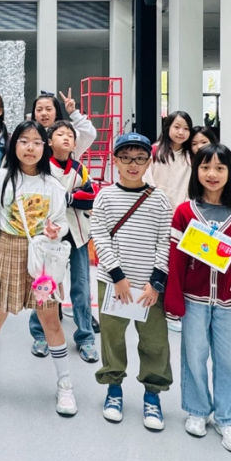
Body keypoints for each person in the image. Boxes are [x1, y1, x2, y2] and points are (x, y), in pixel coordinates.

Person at [0, 120, 73, 413]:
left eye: (36, 142)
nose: (30, 147)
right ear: (14, 145)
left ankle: (65, 384)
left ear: (45, 147)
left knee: (51, 321)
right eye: (23, 141)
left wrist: (55, 231)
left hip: (42, 258)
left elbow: (62, 223)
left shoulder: (53, 185)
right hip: (6, 250)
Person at [166, 144, 231, 454]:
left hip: (230, 302)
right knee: (194, 356)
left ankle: (227, 418)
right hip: (194, 299)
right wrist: (173, 300)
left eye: (220, 168)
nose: (212, 174)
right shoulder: (185, 212)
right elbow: (176, 260)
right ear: (196, 171)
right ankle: (197, 410)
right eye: (205, 167)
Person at [88, 132, 173, 430]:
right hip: (114, 283)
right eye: (126, 158)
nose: (132, 164)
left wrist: (156, 282)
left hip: (149, 285)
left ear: (149, 162)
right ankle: (114, 389)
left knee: (154, 341)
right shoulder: (105, 196)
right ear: (115, 161)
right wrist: (118, 277)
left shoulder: (160, 199)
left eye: (139, 158)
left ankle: (152, 394)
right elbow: (99, 237)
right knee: (112, 337)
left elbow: (165, 241)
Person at [28, 120, 99, 363]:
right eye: (60, 134)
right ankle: (40, 334)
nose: (66, 138)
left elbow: (90, 197)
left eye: (70, 135)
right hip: (49, 235)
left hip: (78, 235)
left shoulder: (80, 168)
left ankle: (85, 338)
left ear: (75, 143)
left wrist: (68, 197)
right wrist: (73, 197)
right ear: (49, 141)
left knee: (81, 287)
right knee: (44, 285)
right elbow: (41, 198)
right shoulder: (42, 167)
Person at [146, 111, 195, 210]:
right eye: (176, 127)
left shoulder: (190, 157)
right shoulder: (154, 151)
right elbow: (146, 180)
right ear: (167, 127)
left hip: (180, 211)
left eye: (186, 129)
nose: (181, 132)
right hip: (155, 208)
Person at [31, 89, 98, 161]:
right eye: (39, 110)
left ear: (56, 113)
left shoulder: (68, 131)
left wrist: (74, 113)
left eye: (48, 109)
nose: (44, 113)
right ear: (34, 114)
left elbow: (89, 134)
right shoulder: (28, 134)